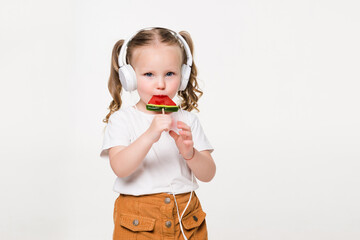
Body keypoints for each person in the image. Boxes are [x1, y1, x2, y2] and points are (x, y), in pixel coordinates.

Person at [100, 27, 216, 240]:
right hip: (138, 218)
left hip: (186, 216)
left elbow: (208, 174)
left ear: (182, 76)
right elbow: (120, 167)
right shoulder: (123, 120)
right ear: (130, 78)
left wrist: (190, 153)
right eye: (149, 74)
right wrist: (150, 135)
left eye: (170, 74)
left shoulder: (187, 119)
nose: (161, 84)